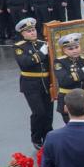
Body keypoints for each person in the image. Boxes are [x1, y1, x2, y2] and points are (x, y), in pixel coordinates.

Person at [14, 18, 53, 149]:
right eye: (29, 31)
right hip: (30, 84)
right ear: (23, 34)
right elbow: (25, 64)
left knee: (48, 112)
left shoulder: (43, 43)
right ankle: (36, 137)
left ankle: (48, 136)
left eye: (33, 30)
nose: (32, 33)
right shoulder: (19, 47)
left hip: (46, 83)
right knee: (39, 112)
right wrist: (41, 53)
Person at [54, 33, 84, 124]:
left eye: (76, 47)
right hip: (68, 99)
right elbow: (64, 80)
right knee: (71, 125)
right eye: (70, 49)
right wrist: (83, 72)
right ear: (64, 50)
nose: (74, 50)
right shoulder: (59, 62)